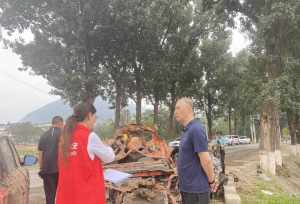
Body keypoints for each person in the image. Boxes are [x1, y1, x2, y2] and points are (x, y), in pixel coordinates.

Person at [56, 102, 115, 204]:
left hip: (66, 196)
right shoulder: (89, 136)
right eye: (94, 116)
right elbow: (109, 157)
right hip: (86, 197)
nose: (95, 120)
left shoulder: (65, 138)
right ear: (89, 115)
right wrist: (107, 146)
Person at [175, 97, 216, 204]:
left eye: (178, 108)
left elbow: (206, 160)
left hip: (197, 191)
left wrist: (212, 181)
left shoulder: (196, 129)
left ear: (188, 109)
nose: (175, 112)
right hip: (187, 189)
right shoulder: (187, 130)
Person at [38, 116, 64, 204]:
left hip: (46, 170)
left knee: (49, 196)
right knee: (63, 195)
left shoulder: (43, 135)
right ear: (60, 123)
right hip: (60, 170)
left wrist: (41, 168)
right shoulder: (63, 134)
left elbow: (40, 154)